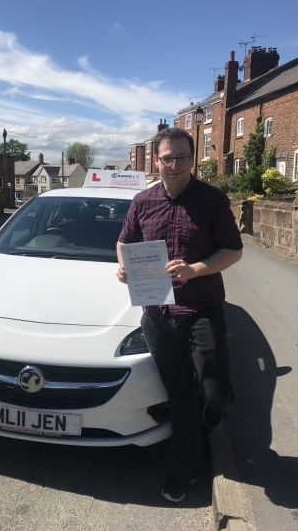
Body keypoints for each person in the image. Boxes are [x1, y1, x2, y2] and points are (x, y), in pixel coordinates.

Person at [116, 128, 243, 503]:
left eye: (182, 157)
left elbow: (233, 251)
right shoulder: (142, 202)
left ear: (193, 160)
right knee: (180, 398)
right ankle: (187, 469)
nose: (174, 165)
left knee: (215, 393)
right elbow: (125, 242)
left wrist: (194, 269)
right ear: (156, 160)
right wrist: (123, 266)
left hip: (201, 309)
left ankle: (217, 403)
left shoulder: (212, 200)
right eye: (167, 158)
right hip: (157, 315)